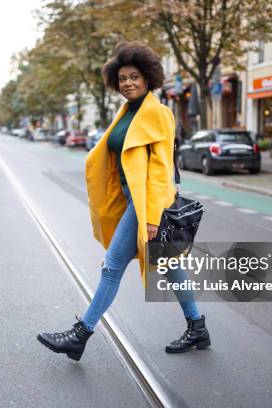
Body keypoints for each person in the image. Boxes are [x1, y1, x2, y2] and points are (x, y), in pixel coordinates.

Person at [37, 41, 210, 361]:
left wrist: (153, 217)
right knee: (171, 266)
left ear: (147, 78)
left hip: (145, 204)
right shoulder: (126, 111)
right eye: (122, 79)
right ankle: (197, 327)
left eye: (134, 76)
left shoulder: (157, 113)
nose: (128, 82)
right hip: (131, 199)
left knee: (111, 267)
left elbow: (160, 169)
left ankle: (80, 335)